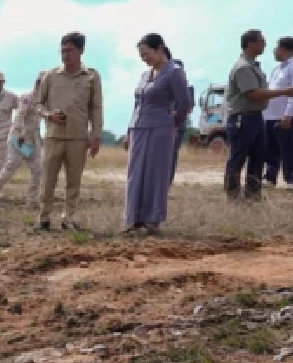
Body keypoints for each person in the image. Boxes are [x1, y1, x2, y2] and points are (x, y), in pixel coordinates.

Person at [120, 34, 192, 235]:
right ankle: (134, 218)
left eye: (147, 54)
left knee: (156, 173)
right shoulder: (145, 74)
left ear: (160, 49)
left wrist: (174, 122)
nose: (144, 59)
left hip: (161, 128)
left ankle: (152, 220)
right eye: (141, 56)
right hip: (139, 128)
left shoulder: (174, 72)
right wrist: (129, 131)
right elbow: (137, 104)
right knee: (135, 174)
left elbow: (185, 102)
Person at [36, 32, 103, 230]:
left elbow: (96, 107)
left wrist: (96, 136)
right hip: (53, 136)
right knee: (48, 180)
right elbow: (37, 104)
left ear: (81, 51)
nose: (65, 55)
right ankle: (43, 218)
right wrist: (49, 115)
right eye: (63, 51)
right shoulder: (50, 76)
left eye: (70, 51)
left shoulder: (91, 76)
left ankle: (69, 218)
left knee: (73, 181)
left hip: (78, 137)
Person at [225, 30, 293, 199]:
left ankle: (253, 194)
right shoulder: (243, 67)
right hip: (243, 118)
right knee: (238, 158)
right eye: (261, 41)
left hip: (256, 117)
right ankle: (233, 195)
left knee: (258, 157)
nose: (264, 44)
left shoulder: (254, 66)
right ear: (250, 44)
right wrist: (284, 92)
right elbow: (253, 94)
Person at [0, 73, 44, 206]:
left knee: (38, 169)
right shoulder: (27, 97)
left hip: (33, 138)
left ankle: (32, 199)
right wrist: (21, 132)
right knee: (11, 166)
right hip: (19, 138)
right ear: (38, 84)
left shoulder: (44, 101)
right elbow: (20, 115)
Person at [264, 36, 293, 189]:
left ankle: (291, 179)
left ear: (283, 49)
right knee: (271, 148)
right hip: (270, 114)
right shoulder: (277, 69)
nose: (274, 51)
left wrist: (289, 114)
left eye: (276, 47)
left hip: (285, 114)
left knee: (288, 148)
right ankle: (270, 177)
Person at [169, 59, 194, 185]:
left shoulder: (188, 89)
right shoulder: (164, 85)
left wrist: (175, 113)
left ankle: (168, 182)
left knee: (172, 155)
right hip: (162, 125)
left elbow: (189, 107)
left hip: (177, 125)